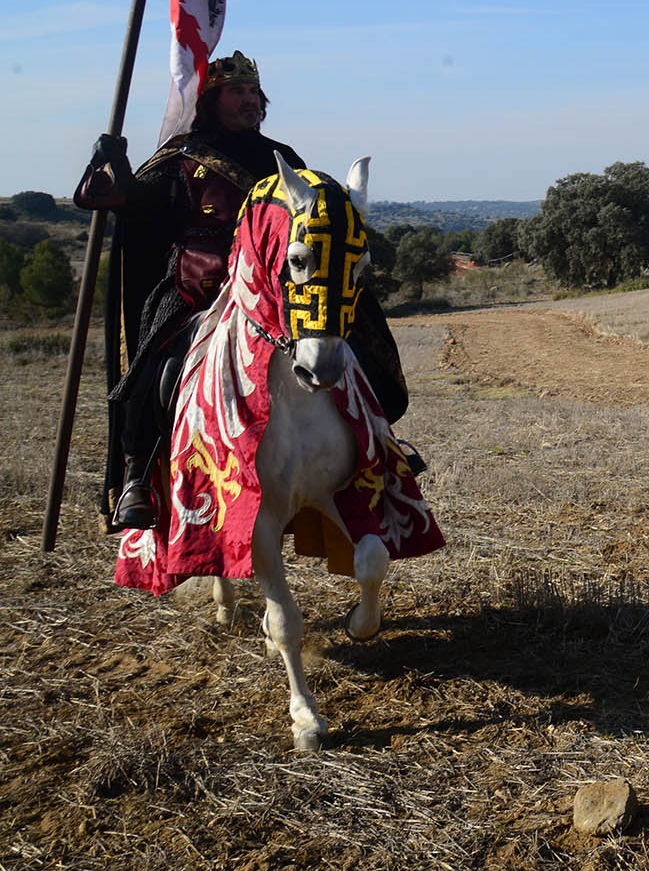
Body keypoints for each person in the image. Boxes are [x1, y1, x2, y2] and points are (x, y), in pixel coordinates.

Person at [78, 51, 409, 530]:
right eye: (238, 92)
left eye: (254, 92)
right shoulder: (182, 158)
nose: (250, 100)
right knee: (159, 362)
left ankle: (381, 444)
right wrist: (111, 167)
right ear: (212, 101)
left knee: (350, 333)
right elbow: (124, 203)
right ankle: (138, 474)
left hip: (273, 288)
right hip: (200, 282)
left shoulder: (283, 158)